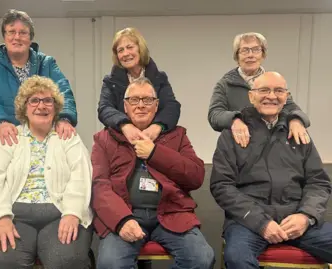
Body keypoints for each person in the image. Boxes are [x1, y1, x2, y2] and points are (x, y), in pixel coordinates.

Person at [210, 71, 332, 269]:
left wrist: (306, 216)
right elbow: (221, 186)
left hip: (296, 218)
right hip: (248, 221)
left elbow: (318, 182)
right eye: (264, 90)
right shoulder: (232, 134)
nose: (272, 96)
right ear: (251, 96)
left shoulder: (299, 133)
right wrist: (261, 222)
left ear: (286, 96)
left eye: (279, 91)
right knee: (237, 258)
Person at [92, 77, 214, 269]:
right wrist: (122, 220)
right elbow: (99, 188)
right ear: (125, 106)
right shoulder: (105, 139)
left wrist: (155, 153)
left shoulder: (177, 135)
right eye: (134, 100)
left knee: (201, 258)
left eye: (147, 100)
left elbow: (196, 176)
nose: (141, 105)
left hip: (171, 213)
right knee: (110, 264)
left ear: (156, 106)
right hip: (126, 214)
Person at [0, 76, 93, 269]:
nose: (42, 106)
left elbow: (81, 176)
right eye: (34, 101)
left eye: (48, 101)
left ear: (55, 107)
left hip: (61, 213)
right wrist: (1, 217)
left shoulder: (68, 137)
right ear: (24, 107)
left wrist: (72, 213)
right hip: (13, 215)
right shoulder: (10, 136)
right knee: (5, 261)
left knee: (67, 260)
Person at [0, 9, 77, 147]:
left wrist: (65, 118)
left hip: (45, 140)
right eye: (11, 32)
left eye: (23, 32)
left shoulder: (47, 63)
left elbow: (64, 91)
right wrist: (0, 122)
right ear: (4, 37)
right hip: (9, 141)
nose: (17, 37)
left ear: (31, 38)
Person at [208, 32, 310, 148]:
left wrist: (296, 120)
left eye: (256, 50)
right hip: (241, 148)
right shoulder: (225, 84)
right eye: (245, 50)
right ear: (237, 56)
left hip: (274, 146)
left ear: (263, 55)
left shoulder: (273, 81)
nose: (250, 55)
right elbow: (214, 115)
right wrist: (234, 120)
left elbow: (291, 108)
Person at [98, 27, 181, 143]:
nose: (125, 54)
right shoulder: (110, 82)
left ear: (140, 49)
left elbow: (172, 106)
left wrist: (157, 126)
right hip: (122, 140)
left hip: (155, 140)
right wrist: (125, 125)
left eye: (130, 47)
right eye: (120, 50)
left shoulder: (159, 78)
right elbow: (104, 108)